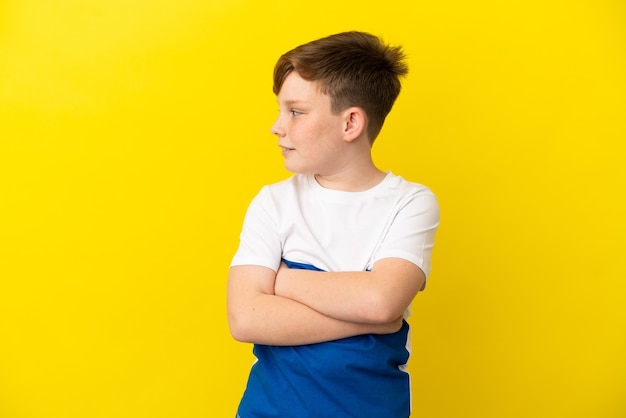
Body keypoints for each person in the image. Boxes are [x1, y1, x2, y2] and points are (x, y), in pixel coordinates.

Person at [227, 31, 440, 418]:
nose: (277, 126)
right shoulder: (274, 202)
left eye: (295, 111)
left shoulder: (410, 203)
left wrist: (283, 282)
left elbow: (380, 301)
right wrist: (369, 318)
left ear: (350, 123)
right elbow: (246, 318)